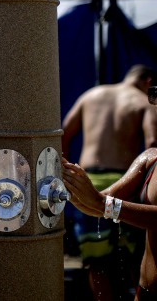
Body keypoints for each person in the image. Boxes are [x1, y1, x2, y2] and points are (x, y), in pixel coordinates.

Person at [61, 64, 157, 300]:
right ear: (148, 82)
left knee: (97, 262)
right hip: (126, 177)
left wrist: (65, 173)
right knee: (132, 257)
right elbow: (152, 140)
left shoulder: (90, 95)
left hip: (88, 178)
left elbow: (64, 132)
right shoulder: (142, 101)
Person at [62, 148, 157, 301]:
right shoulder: (150, 157)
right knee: (97, 263)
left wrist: (101, 203)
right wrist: (73, 189)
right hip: (143, 290)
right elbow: (101, 203)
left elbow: (102, 203)